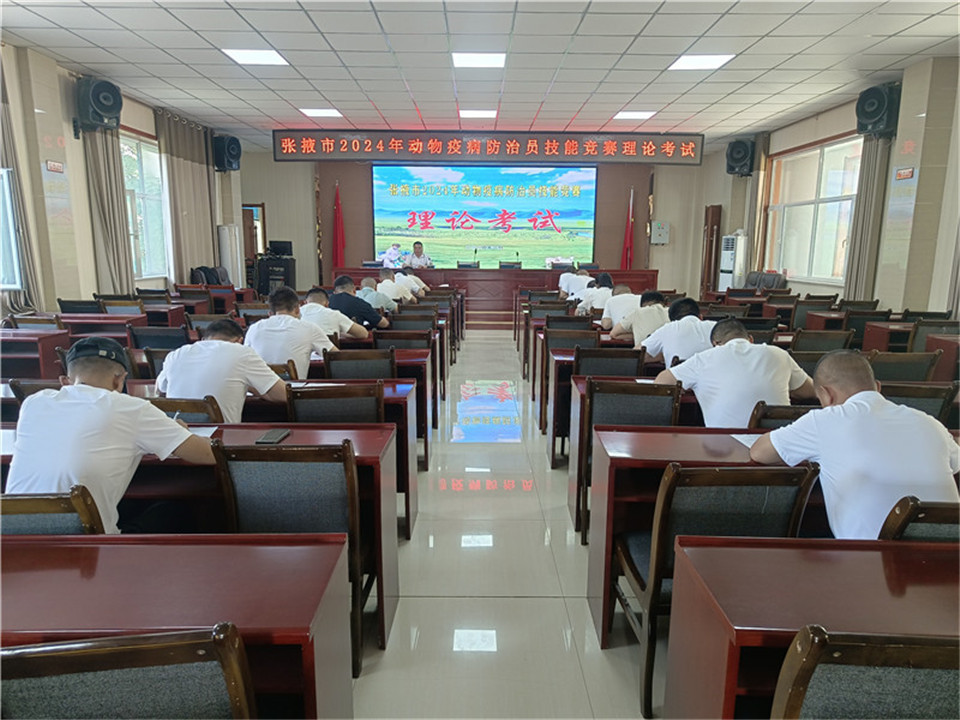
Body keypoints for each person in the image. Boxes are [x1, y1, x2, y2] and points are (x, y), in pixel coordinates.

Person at [6, 337, 215, 534]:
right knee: (175, 511)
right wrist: (179, 433)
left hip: (10, 536)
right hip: (88, 545)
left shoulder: (33, 402)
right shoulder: (130, 408)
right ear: (119, 380)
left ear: (65, 381)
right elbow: (207, 454)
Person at [750, 350, 960, 540]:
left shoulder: (825, 420)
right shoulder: (929, 422)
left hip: (874, 559)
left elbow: (760, 452)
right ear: (878, 387)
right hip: (950, 554)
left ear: (826, 394)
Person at [655, 318, 816, 427]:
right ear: (750, 339)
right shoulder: (779, 354)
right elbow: (812, 390)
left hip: (723, 448)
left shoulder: (705, 358)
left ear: (715, 344)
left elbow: (661, 383)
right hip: (778, 447)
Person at [156, 318, 287, 424]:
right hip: (221, 438)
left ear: (203, 340)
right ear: (239, 341)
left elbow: (160, 390)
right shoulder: (242, 353)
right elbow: (284, 394)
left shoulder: (177, 353)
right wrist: (251, 386)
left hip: (178, 436)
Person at [244, 285, 335, 379]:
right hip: (294, 387)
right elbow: (336, 358)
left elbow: (245, 360)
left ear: (270, 312)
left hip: (259, 387)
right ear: (297, 309)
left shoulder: (253, 328)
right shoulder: (309, 328)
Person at [641, 297, 716, 366]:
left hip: (677, 376)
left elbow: (638, 354)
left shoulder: (669, 328)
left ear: (671, 321)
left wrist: (664, 354)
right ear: (701, 317)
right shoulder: (716, 326)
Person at [300, 287, 369, 340]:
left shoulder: (296, 313)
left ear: (305, 302)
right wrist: (341, 334)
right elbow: (363, 334)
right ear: (327, 304)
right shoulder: (334, 314)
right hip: (328, 354)